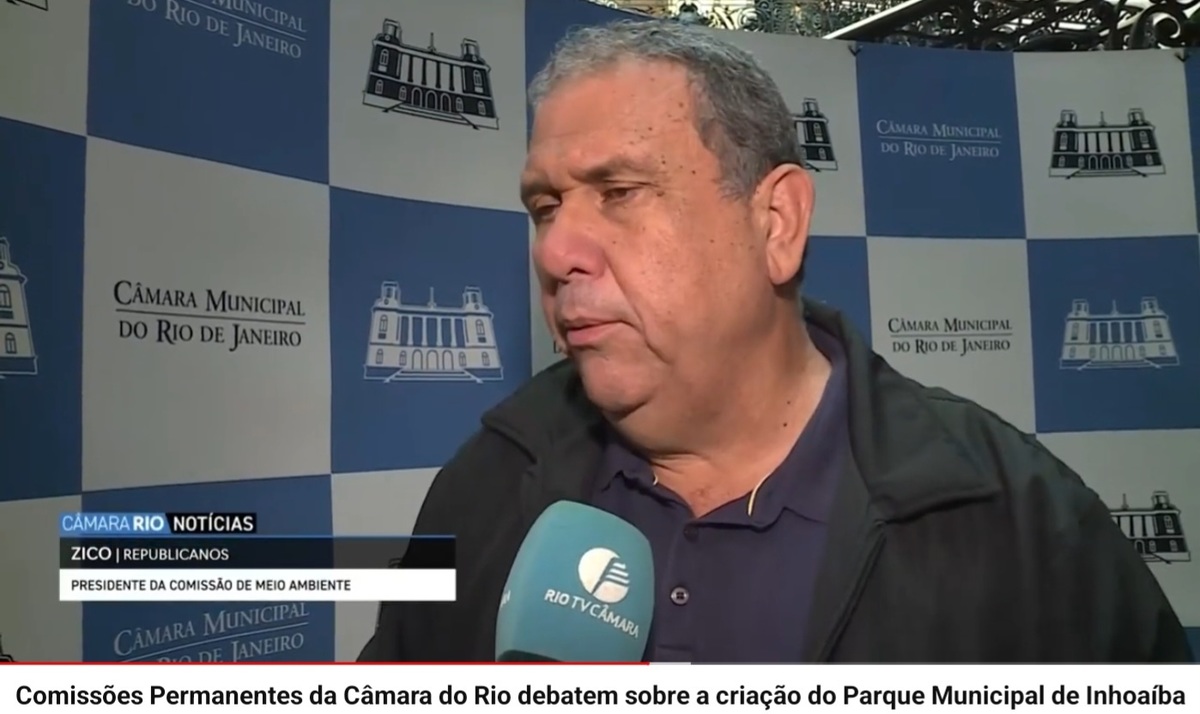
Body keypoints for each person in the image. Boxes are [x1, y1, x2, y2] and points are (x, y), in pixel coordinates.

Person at [359, 20, 1192, 663]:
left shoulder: (1016, 523)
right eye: (545, 209)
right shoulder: (488, 482)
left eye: (618, 191)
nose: (555, 251)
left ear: (777, 223)